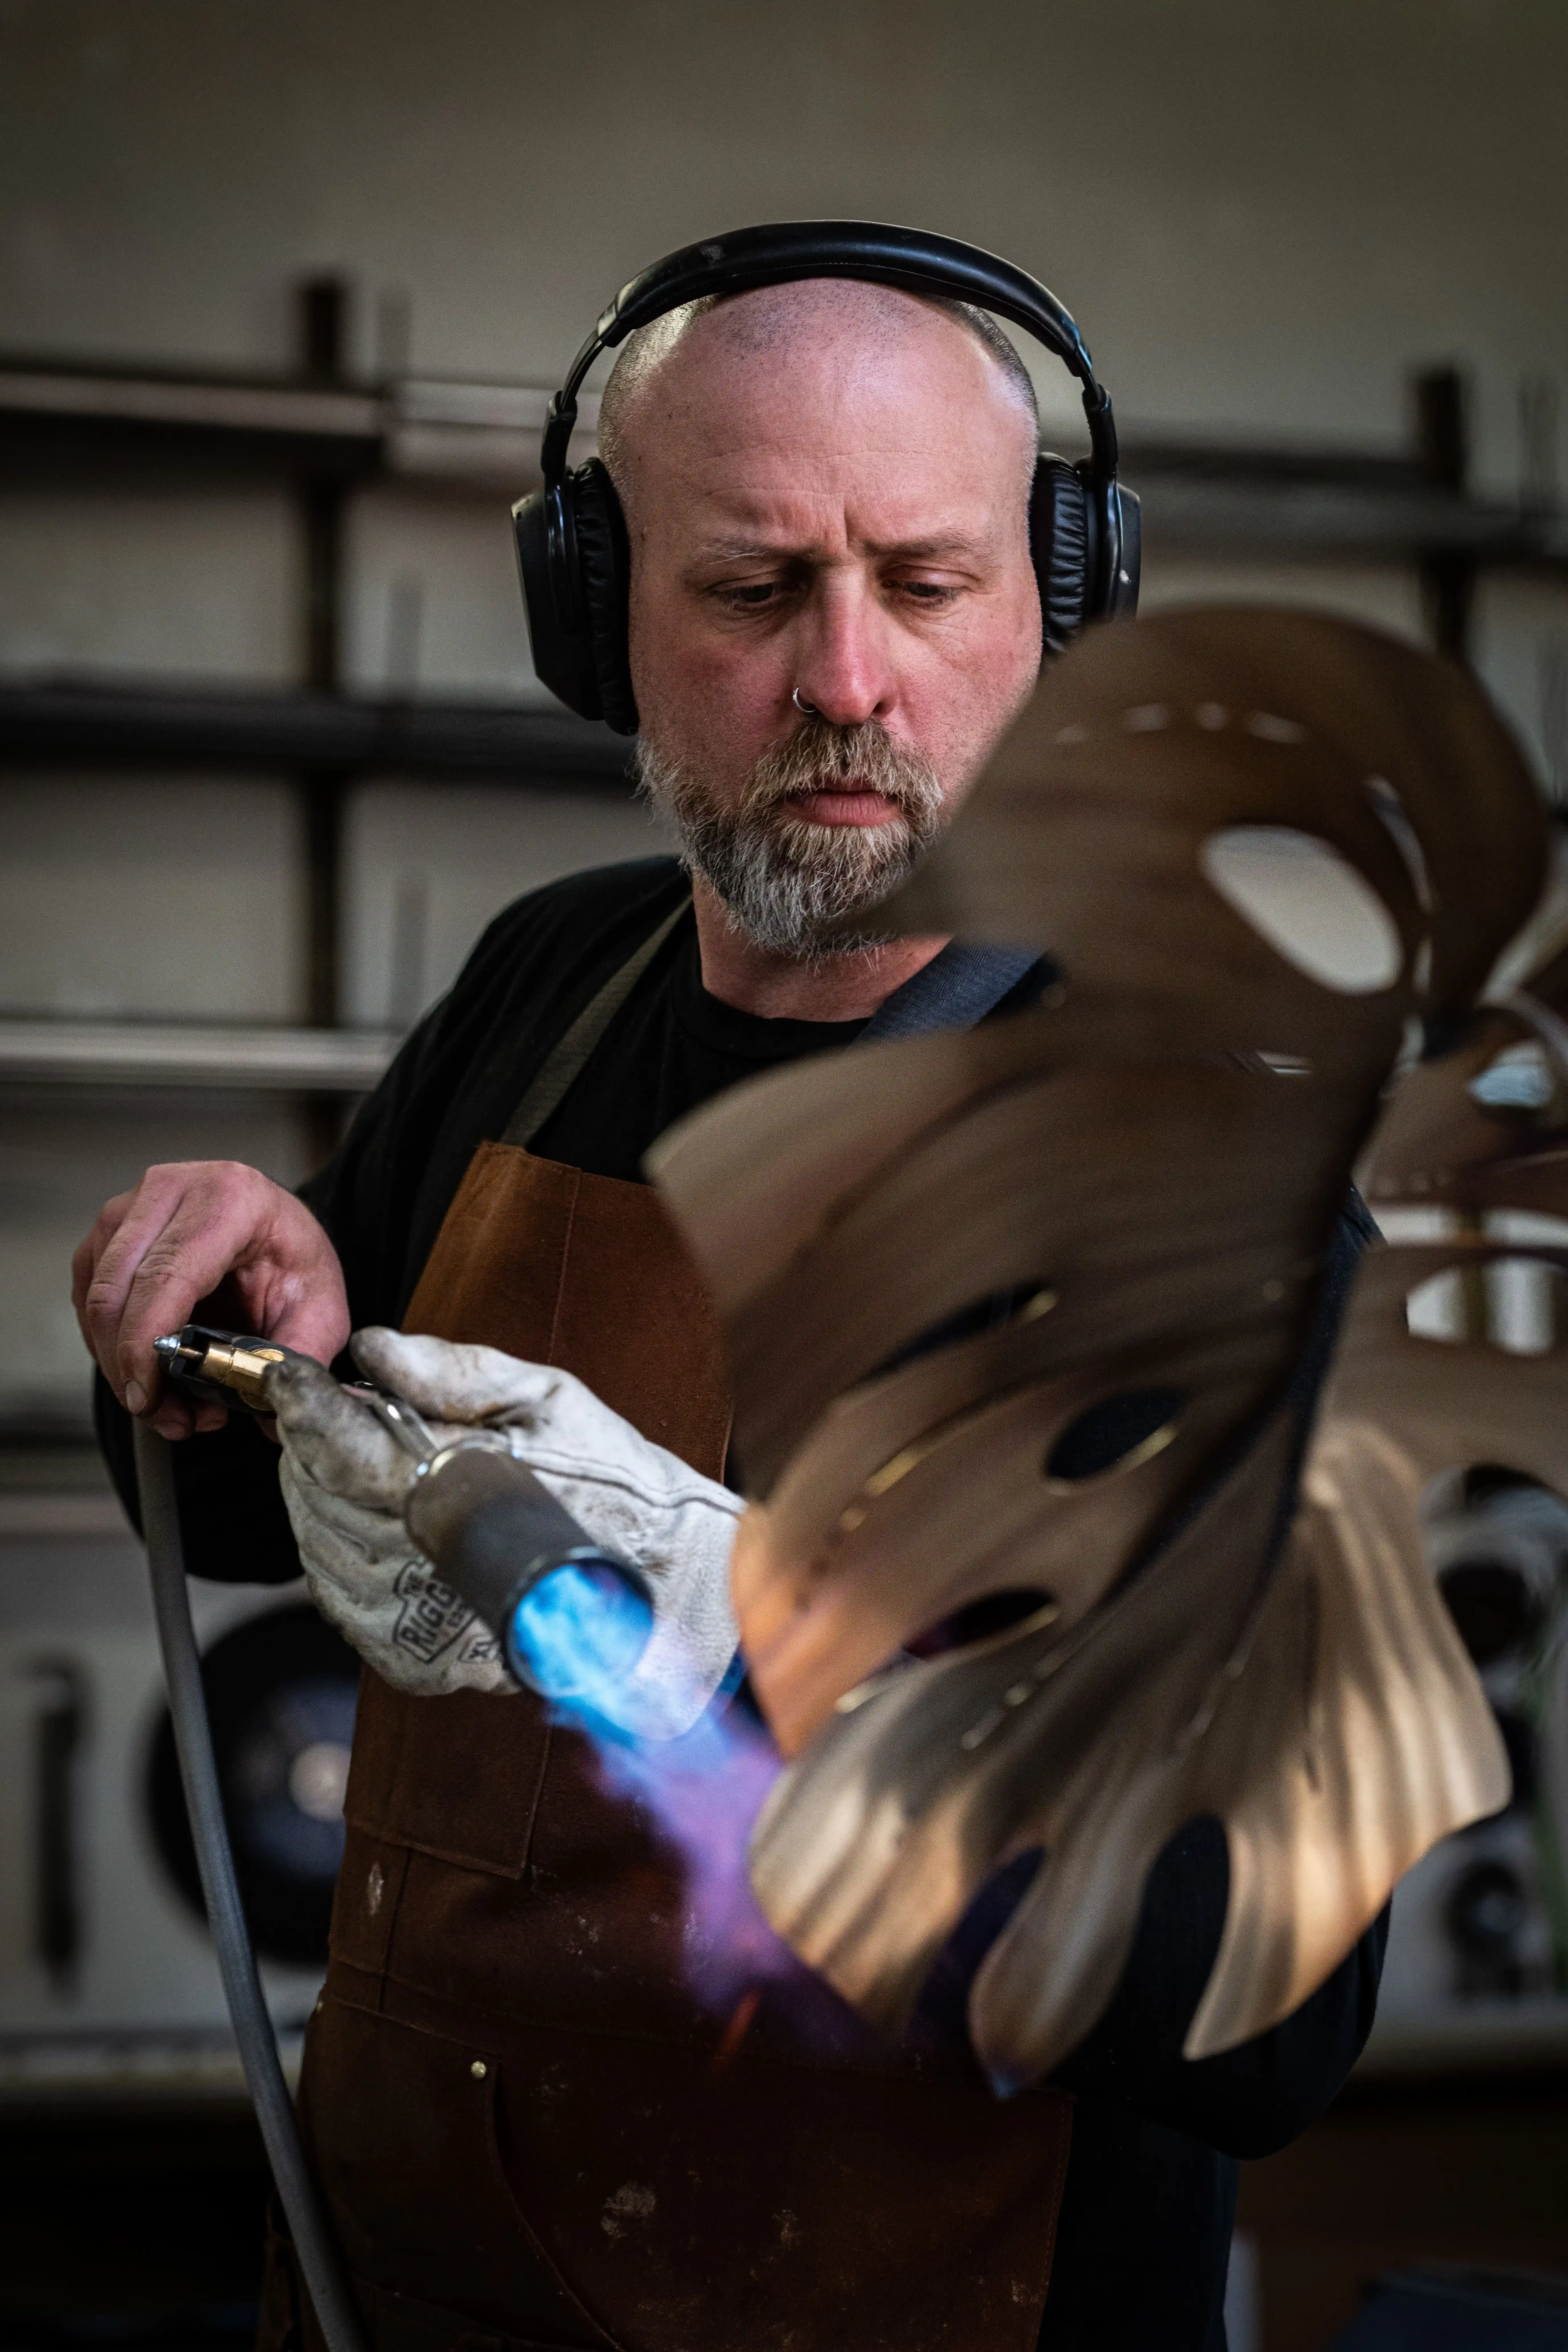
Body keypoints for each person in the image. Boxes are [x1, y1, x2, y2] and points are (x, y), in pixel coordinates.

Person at [77, 255, 1384, 2352]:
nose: (849, 679)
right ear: (596, 621)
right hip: (407, 2287)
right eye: (755, 590)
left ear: (1056, 609)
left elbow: (1273, 2020)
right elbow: (226, 1524)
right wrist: (212, 1331)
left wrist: (761, 1645)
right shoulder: (550, 994)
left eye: (929, 585)